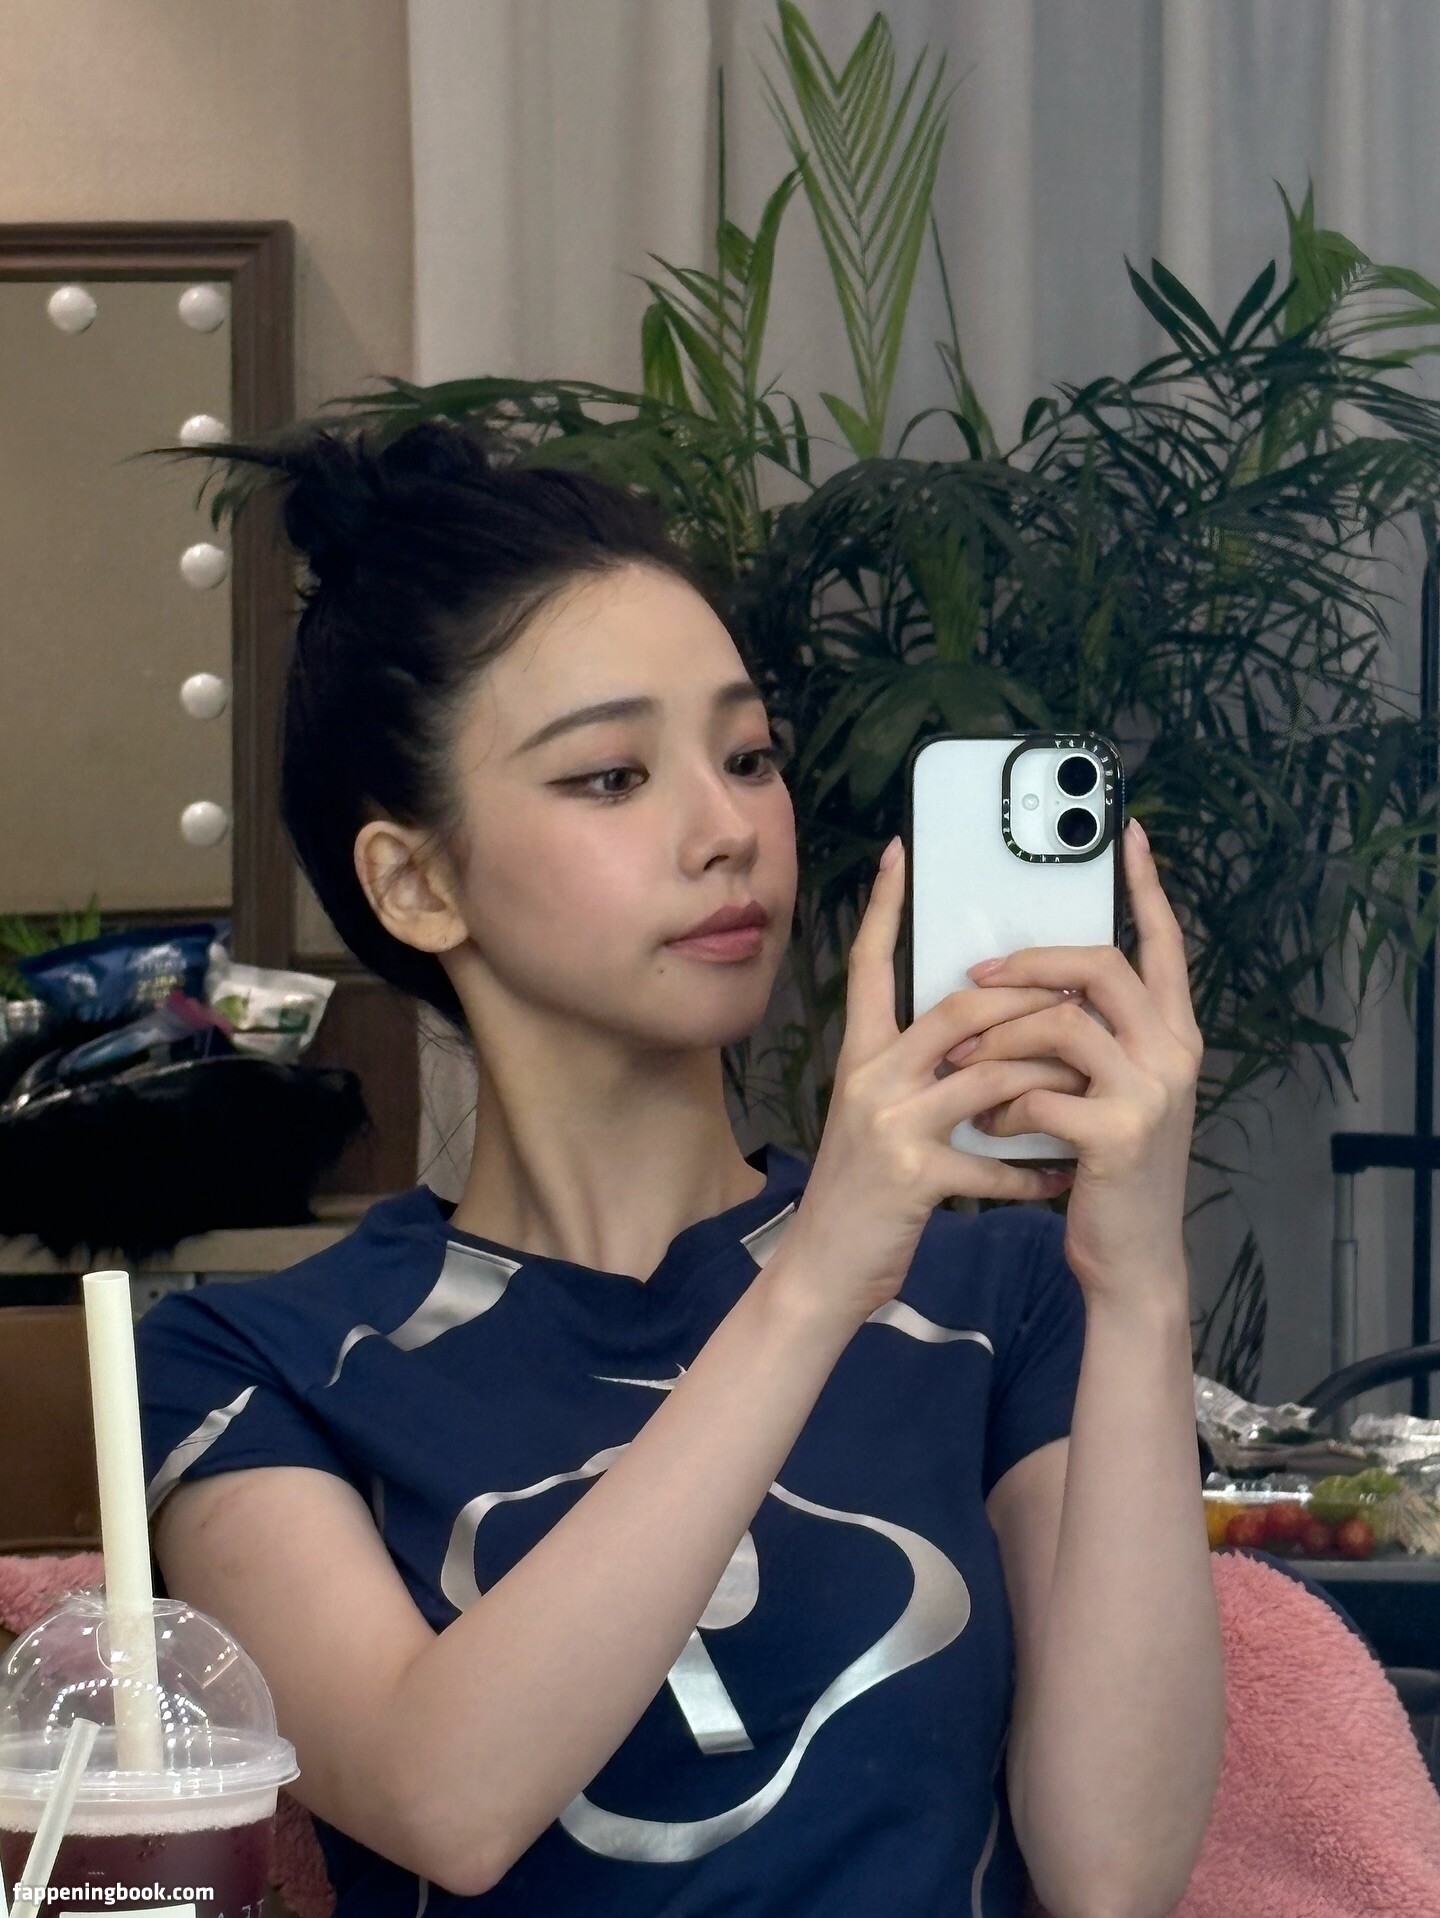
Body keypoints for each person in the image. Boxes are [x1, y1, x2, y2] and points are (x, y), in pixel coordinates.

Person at [135, 419, 1224, 1918]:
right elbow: (445, 1799)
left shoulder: (1003, 1296)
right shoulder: (249, 1366)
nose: (727, 831)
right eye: (611, 775)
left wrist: (1143, 1285)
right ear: (417, 880)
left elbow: (1117, 1870)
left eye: (748, 756)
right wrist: (816, 1282)